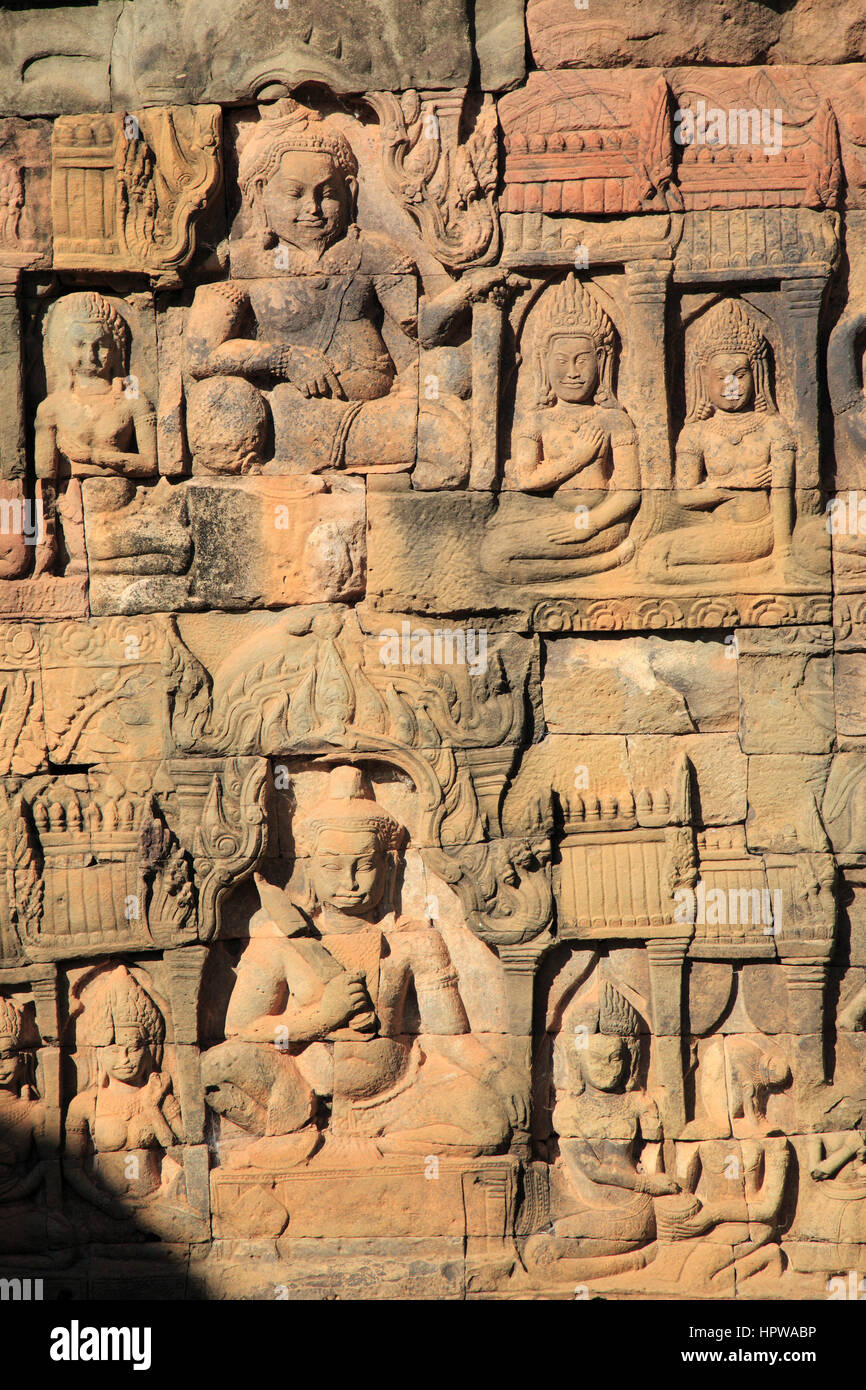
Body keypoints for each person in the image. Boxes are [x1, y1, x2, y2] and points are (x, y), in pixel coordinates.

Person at [202, 765, 524, 1163]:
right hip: (306, 1091)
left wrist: (497, 1075)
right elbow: (241, 1030)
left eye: (365, 865)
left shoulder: (416, 939)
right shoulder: (281, 936)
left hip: (401, 1093)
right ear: (309, 867)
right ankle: (296, 1130)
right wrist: (321, 1017)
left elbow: (448, 1036)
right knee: (218, 1065)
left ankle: (369, 1148)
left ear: (389, 867)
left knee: (490, 1123)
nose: (350, 881)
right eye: (333, 867)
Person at [184, 98, 510, 487]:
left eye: (327, 193)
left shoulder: (373, 251)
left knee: (448, 388)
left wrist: (467, 291)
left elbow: (421, 329)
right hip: (289, 416)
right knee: (223, 400)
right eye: (294, 194)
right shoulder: (243, 263)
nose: (313, 208)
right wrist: (283, 359)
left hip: (375, 410)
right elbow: (202, 354)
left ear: (350, 190)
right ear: (260, 191)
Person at [481, 275, 640, 583]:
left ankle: (607, 558)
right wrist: (578, 458)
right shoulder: (536, 420)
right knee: (491, 553)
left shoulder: (613, 420)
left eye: (582, 361)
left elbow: (630, 493)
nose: (572, 373)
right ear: (544, 362)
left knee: (495, 554)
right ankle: (600, 565)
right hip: (552, 516)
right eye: (562, 361)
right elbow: (527, 480)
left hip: (603, 523)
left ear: (602, 360)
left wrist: (591, 522)